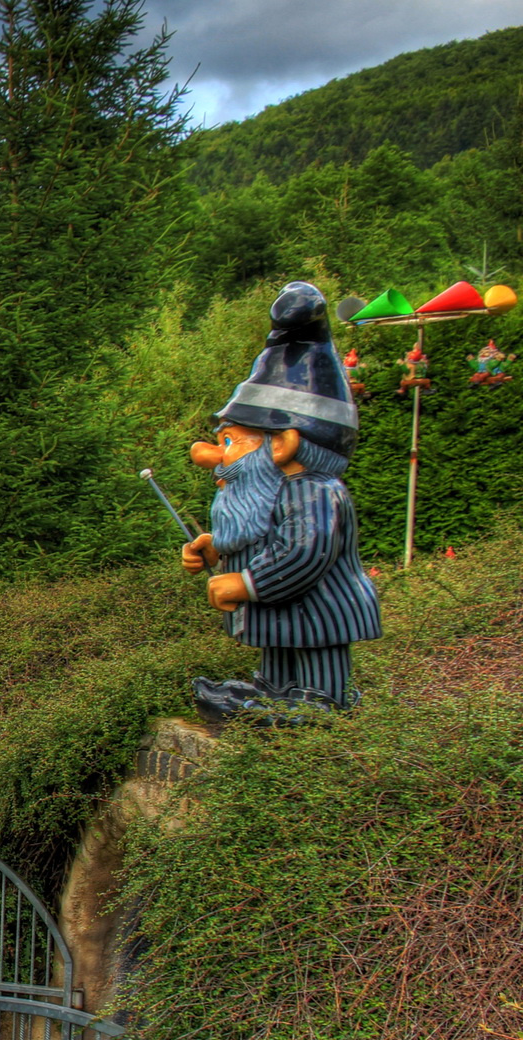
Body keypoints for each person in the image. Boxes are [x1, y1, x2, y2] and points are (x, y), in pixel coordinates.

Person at [181, 281, 381, 724]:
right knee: (280, 647)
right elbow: (257, 532)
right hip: (282, 611)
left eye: (228, 441)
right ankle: (273, 690)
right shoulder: (271, 489)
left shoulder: (314, 492)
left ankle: (323, 701)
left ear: (283, 444)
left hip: (319, 609)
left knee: (315, 656)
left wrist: (245, 585)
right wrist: (214, 548)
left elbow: (301, 555)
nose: (209, 455)